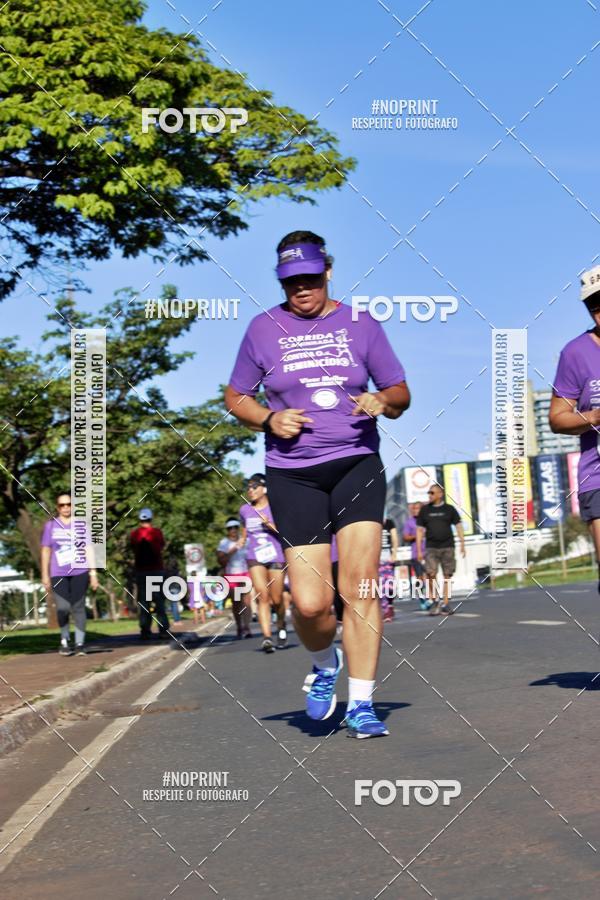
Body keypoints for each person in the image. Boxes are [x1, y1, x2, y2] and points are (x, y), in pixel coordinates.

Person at [225, 230, 410, 738]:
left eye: (309, 277)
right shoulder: (263, 329)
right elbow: (236, 394)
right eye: (290, 282)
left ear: (327, 270)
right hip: (293, 474)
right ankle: (325, 665)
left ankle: (363, 703)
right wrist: (266, 418)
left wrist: (383, 402)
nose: (301, 288)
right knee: (309, 603)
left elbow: (399, 390)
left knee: (360, 588)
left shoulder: (360, 324)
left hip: (355, 462)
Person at [550, 266, 600, 594]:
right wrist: (596, 415)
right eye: (593, 305)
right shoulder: (575, 353)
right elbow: (558, 418)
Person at [41, 492, 99, 655]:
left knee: (79, 607)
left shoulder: (81, 525)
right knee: (63, 607)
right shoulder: (50, 526)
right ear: (57, 507)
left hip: (80, 571)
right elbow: (45, 550)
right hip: (58, 572)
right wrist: (44, 574)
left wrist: (93, 573)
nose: (66, 507)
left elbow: (89, 549)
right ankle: (65, 639)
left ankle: (80, 643)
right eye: (62, 505)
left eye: (69, 504)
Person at [239, 473, 287, 652]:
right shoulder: (244, 510)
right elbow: (245, 529)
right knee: (262, 596)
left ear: (264, 488)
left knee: (276, 598)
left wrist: (270, 525)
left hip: (276, 555)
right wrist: (242, 541)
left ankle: (281, 625)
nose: (250, 490)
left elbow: (287, 532)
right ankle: (267, 637)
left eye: (254, 487)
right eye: (248, 487)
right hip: (255, 557)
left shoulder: (275, 507)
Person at [416, 484, 465, 615]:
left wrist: (462, 544)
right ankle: (435, 601)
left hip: (448, 546)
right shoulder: (424, 510)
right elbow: (419, 530)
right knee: (431, 574)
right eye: (429, 493)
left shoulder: (449, 509)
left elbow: (459, 526)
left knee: (447, 576)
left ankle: (446, 604)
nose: (430, 495)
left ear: (440, 494)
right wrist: (419, 550)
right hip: (431, 547)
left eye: (432, 493)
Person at [130, 508, 169, 639]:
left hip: (142, 572)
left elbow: (133, 547)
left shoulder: (135, 534)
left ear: (140, 519)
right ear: (151, 519)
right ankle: (163, 630)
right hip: (156, 570)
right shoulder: (156, 532)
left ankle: (145, 630)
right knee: (159, 601)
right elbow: (162, 546)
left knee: (144, 602)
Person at [217, 519, 252, 638]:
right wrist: (235, 548)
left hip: (245, 573)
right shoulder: (224, 543)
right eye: (230, 528)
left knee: (247, 601)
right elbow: (221, 560)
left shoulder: (246, 541)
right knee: (236, 602)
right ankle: (239, 626)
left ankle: (247, 627)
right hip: (231, 575)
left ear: (238, 528)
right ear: (227, 530)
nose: (233, 530)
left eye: (235, 527)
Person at [403, 502, 429, 610]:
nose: (415, 510)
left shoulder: (427, 520)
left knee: (430, 576)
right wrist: (416, 535)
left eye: (417, 508)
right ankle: (422, 599)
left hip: (428, 552)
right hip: (415, 554)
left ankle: (430, 598)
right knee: (419, 579)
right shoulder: (409, 522)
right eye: (414, 508)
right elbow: (405, 537)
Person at [379, 515, 399, 623]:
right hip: (377, 559)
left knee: (390, 585)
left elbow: (395, 539)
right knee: (381, 585)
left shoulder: (389, 522)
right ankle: (386, 610)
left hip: (388, 558)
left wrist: (394, 554)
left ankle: (390, 605)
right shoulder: (373, 523)